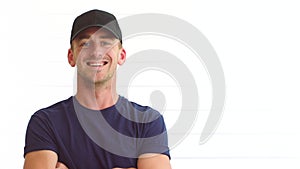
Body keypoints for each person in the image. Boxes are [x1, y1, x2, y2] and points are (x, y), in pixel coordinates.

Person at [23, 9, 171, 169]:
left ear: (121, 56)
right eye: (85, 44)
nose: (96, 52)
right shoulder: (45, 122)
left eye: (106, 43)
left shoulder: (147, 122)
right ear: (71, 57)